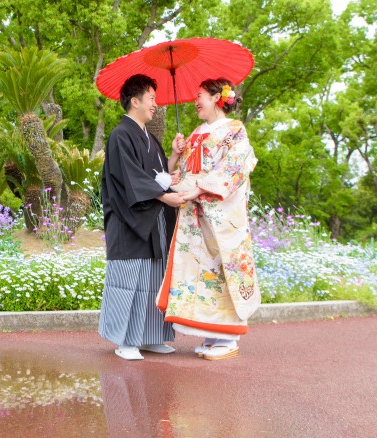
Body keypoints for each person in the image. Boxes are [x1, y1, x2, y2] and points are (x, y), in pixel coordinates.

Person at [156, 78, 260, 361]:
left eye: (200, 95)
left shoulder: (234, 129)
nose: (196, 101)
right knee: (200, 272)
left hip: (220, 213)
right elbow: (184, 174)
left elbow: (237, 166)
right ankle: (212, 334)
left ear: (217, 97)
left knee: (222, 268)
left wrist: (201, 188)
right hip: (195, 215)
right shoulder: (195, 133)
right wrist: (177, 154)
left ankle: (230, 337)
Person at [99, 74, 186, 361]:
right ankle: (125, 340)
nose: (155, 104)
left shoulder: (149, 138)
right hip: (128, 221)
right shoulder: (120, 135)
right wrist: (164, 196)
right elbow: (131, 179)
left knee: (152, 279)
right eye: (151, 98)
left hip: (152, 221)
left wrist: (173, 156)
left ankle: (150, 337)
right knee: (128, 282)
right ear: (135, 101)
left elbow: (159, 174)